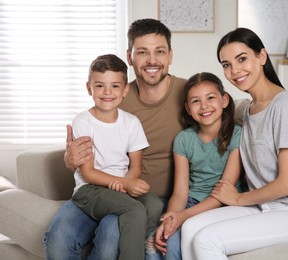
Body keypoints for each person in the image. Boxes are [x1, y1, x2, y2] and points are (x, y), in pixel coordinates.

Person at [44, 18, 187, 259]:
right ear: (130, 56)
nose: (152, 60)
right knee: (60, 238)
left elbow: (217, 130)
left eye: (159, 52)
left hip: (146, 196)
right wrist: (71, 158)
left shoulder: (190, 94)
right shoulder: (116, 95)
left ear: (170, 55)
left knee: (113, 235)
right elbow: (91, 143)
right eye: (143, 52)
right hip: (106, 190)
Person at [180, 27, 288, 259]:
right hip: (263, 206)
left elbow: (287, 184)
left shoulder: (284, 106)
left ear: (261, 56)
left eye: (241, 59)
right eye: (226, 64)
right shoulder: (248, 110)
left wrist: (238, 199)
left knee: (207, 240)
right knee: (189, 227)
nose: (234, 70)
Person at [69, 54, 163, 260]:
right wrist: (124, 185)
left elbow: (136, 165)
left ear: (125, 90)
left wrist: (128, 183)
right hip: (90, 189)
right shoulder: (83, 121)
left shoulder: (131, 122)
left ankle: (145, 240)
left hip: (120, 186)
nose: (107, 92)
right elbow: (88, 172)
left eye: (114, 86)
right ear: (89, 88)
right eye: (100, 86)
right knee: (135, 210)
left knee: (155, 203)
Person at [150, 72, 242, 259]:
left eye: (210, 98)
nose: (204, 106)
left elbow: (223, 193)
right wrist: (171, 219)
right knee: (163, 246)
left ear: (224, 100)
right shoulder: (184, 140)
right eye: (195, 101)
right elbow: (180, 192)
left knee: (179, 246)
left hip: (223, 205)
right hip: (191, 201)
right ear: (188, 108)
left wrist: (183, 216)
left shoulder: (237, 136)